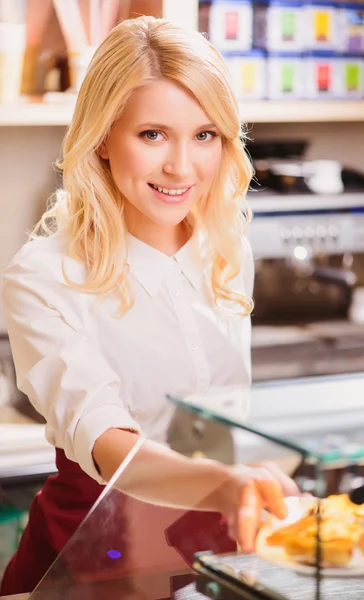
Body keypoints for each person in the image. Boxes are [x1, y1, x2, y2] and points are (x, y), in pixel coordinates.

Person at [0, 16, 298, 596]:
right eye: (153, 134)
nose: (181, 168)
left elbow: (223, 426)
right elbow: (108, 445)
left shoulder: (228, 251)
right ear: (105, 137)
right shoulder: (43, 276)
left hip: (218, 557)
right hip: (89, 561)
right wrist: (224, 484)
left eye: (205, 135)